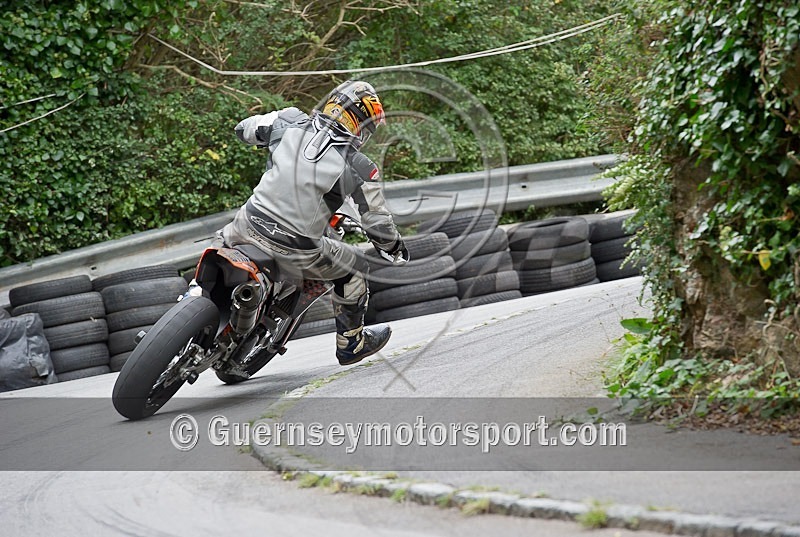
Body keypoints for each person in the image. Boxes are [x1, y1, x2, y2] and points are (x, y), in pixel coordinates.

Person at [221, 80, 407, 365]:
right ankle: (351, 343)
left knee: (219, 245)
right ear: (358, 121)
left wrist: (268, 144)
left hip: (246, 225)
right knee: (355, 268)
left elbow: (243, 129)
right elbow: (378, 224)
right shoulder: (360, 166)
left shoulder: (288, 120)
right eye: (367, 126)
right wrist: (394, 248)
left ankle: (191, 298)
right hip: (295, 248)